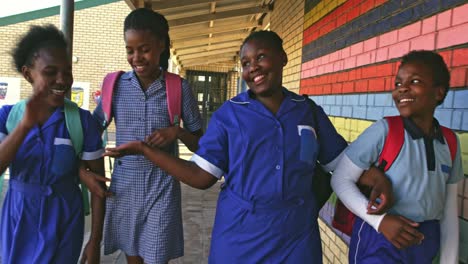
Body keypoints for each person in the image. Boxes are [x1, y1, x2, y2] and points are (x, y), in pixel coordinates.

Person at [104, 30, 392, 263]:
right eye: (245, 63)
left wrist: (375, 178)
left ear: (283, 58)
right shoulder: (229, 115)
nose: (252, 67)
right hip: (240, 236)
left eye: (262, 57)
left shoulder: (308, 111)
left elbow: (340, 162)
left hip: (297, 237)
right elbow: (202, 177)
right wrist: (146, 150)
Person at [91, 8, 203, 264]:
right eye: (130, 50)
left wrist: (177, 131)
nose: (136, 57)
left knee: (156, 257)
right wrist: (83, 169)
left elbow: (200, 144)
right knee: (133, 258)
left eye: (144, 49)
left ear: (161, 45)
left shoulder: (178, 87)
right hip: (124, 189)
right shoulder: (115, 86)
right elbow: (91, 130)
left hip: (161, 188)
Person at [331, 50, 464, 263]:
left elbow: (448, 212)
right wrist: (380, 222)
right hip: (380, 237)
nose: (402, 88)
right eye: (398, 83)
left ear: (438, 93)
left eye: (415, 81)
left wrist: (449, 259)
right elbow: (340, 179)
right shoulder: (385, 130)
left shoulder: (450, 142)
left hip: (424, 241)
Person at [0, 24, 106, 263]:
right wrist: (26, 125)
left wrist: (94, 241)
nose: (62, 80)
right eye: (50, 72)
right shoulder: (8, 117)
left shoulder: (81, 121)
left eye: (67, 71)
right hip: (20, 218)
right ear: (29, 74)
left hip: (64, 220)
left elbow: (98, 188)